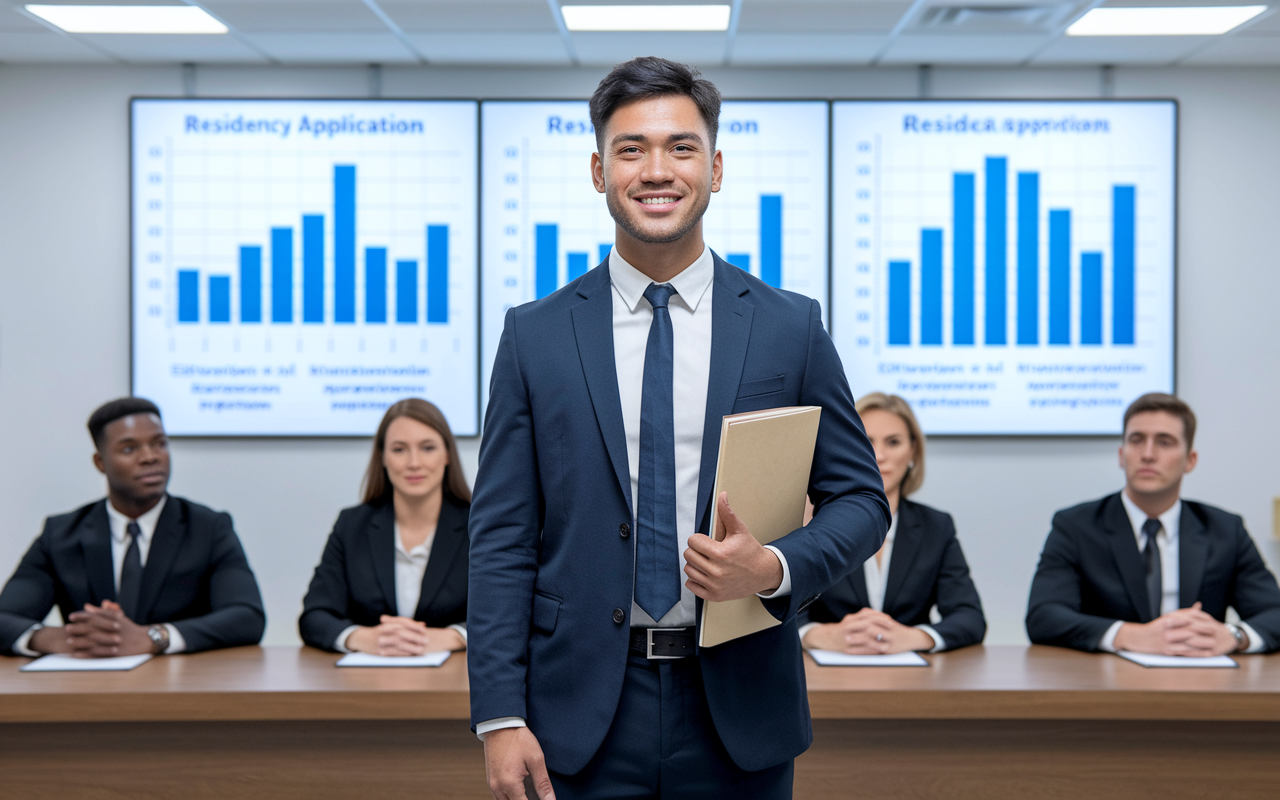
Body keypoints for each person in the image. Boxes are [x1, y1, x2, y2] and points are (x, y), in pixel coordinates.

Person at [468, 57, 888, 800]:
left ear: (716, 167)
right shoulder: (534, 336)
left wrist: (773, 569)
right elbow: (500, 537)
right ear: (599, 171)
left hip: (739, 706)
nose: (655, 170)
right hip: (581, 709)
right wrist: (499, 714)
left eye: (681, 147)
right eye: (630, 149)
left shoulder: (789, 327)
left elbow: (861, 501)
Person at [0, 397, 265, 657]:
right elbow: (4, 617)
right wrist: (59, 638)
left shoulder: (208, 528)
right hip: (90, 688)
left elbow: (247, 617)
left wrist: (155, 637)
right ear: (100, 463)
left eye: (159, 444)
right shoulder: (60, 534)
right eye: (129, 449)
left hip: (180, 687)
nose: (150, 457)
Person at [1026, 393, 1280, 655]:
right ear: (1121, 455)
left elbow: (1274, 612)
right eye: (1137, 441)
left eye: (1164, 442)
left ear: (1190, 460)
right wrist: (1129, 635)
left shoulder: (1225, 530)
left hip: (1200, 681)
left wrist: (1233, 635)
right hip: (1105, 684)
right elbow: (1043, 616)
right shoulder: (1076, 526)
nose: (1148, 454)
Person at [799, 393, 985, 654]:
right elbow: (772, 609)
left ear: (913, 451)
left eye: (893, 442)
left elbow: (970, 618)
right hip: (827, 676)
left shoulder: (936, 526)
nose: (879, 455)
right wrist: (817, 634)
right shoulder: (811, 522)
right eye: (866, 441)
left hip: (909, 681)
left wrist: (916, 637)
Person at [299, 398, 469, 655]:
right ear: (383, 458)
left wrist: (454, 636)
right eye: (399, 449)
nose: (414, 462)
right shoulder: (352, 526)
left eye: (427, 448)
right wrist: (360, 637)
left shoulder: (478, 527)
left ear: (447, 455)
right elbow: (314, 616)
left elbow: (508, 610)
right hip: (369, 685)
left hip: (455, 684)